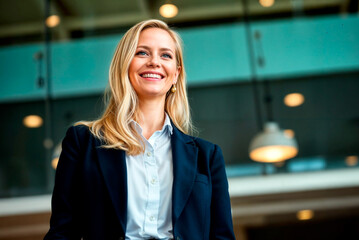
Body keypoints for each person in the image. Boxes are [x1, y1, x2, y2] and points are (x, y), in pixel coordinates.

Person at [44, 19, 236, 240]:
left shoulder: (207, 156)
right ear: (125, 64)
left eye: (166, 55)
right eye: (142, 53)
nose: (155, 62)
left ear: (175, 74)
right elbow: (62, 233)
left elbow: (222, 236)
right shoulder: (82, 143)